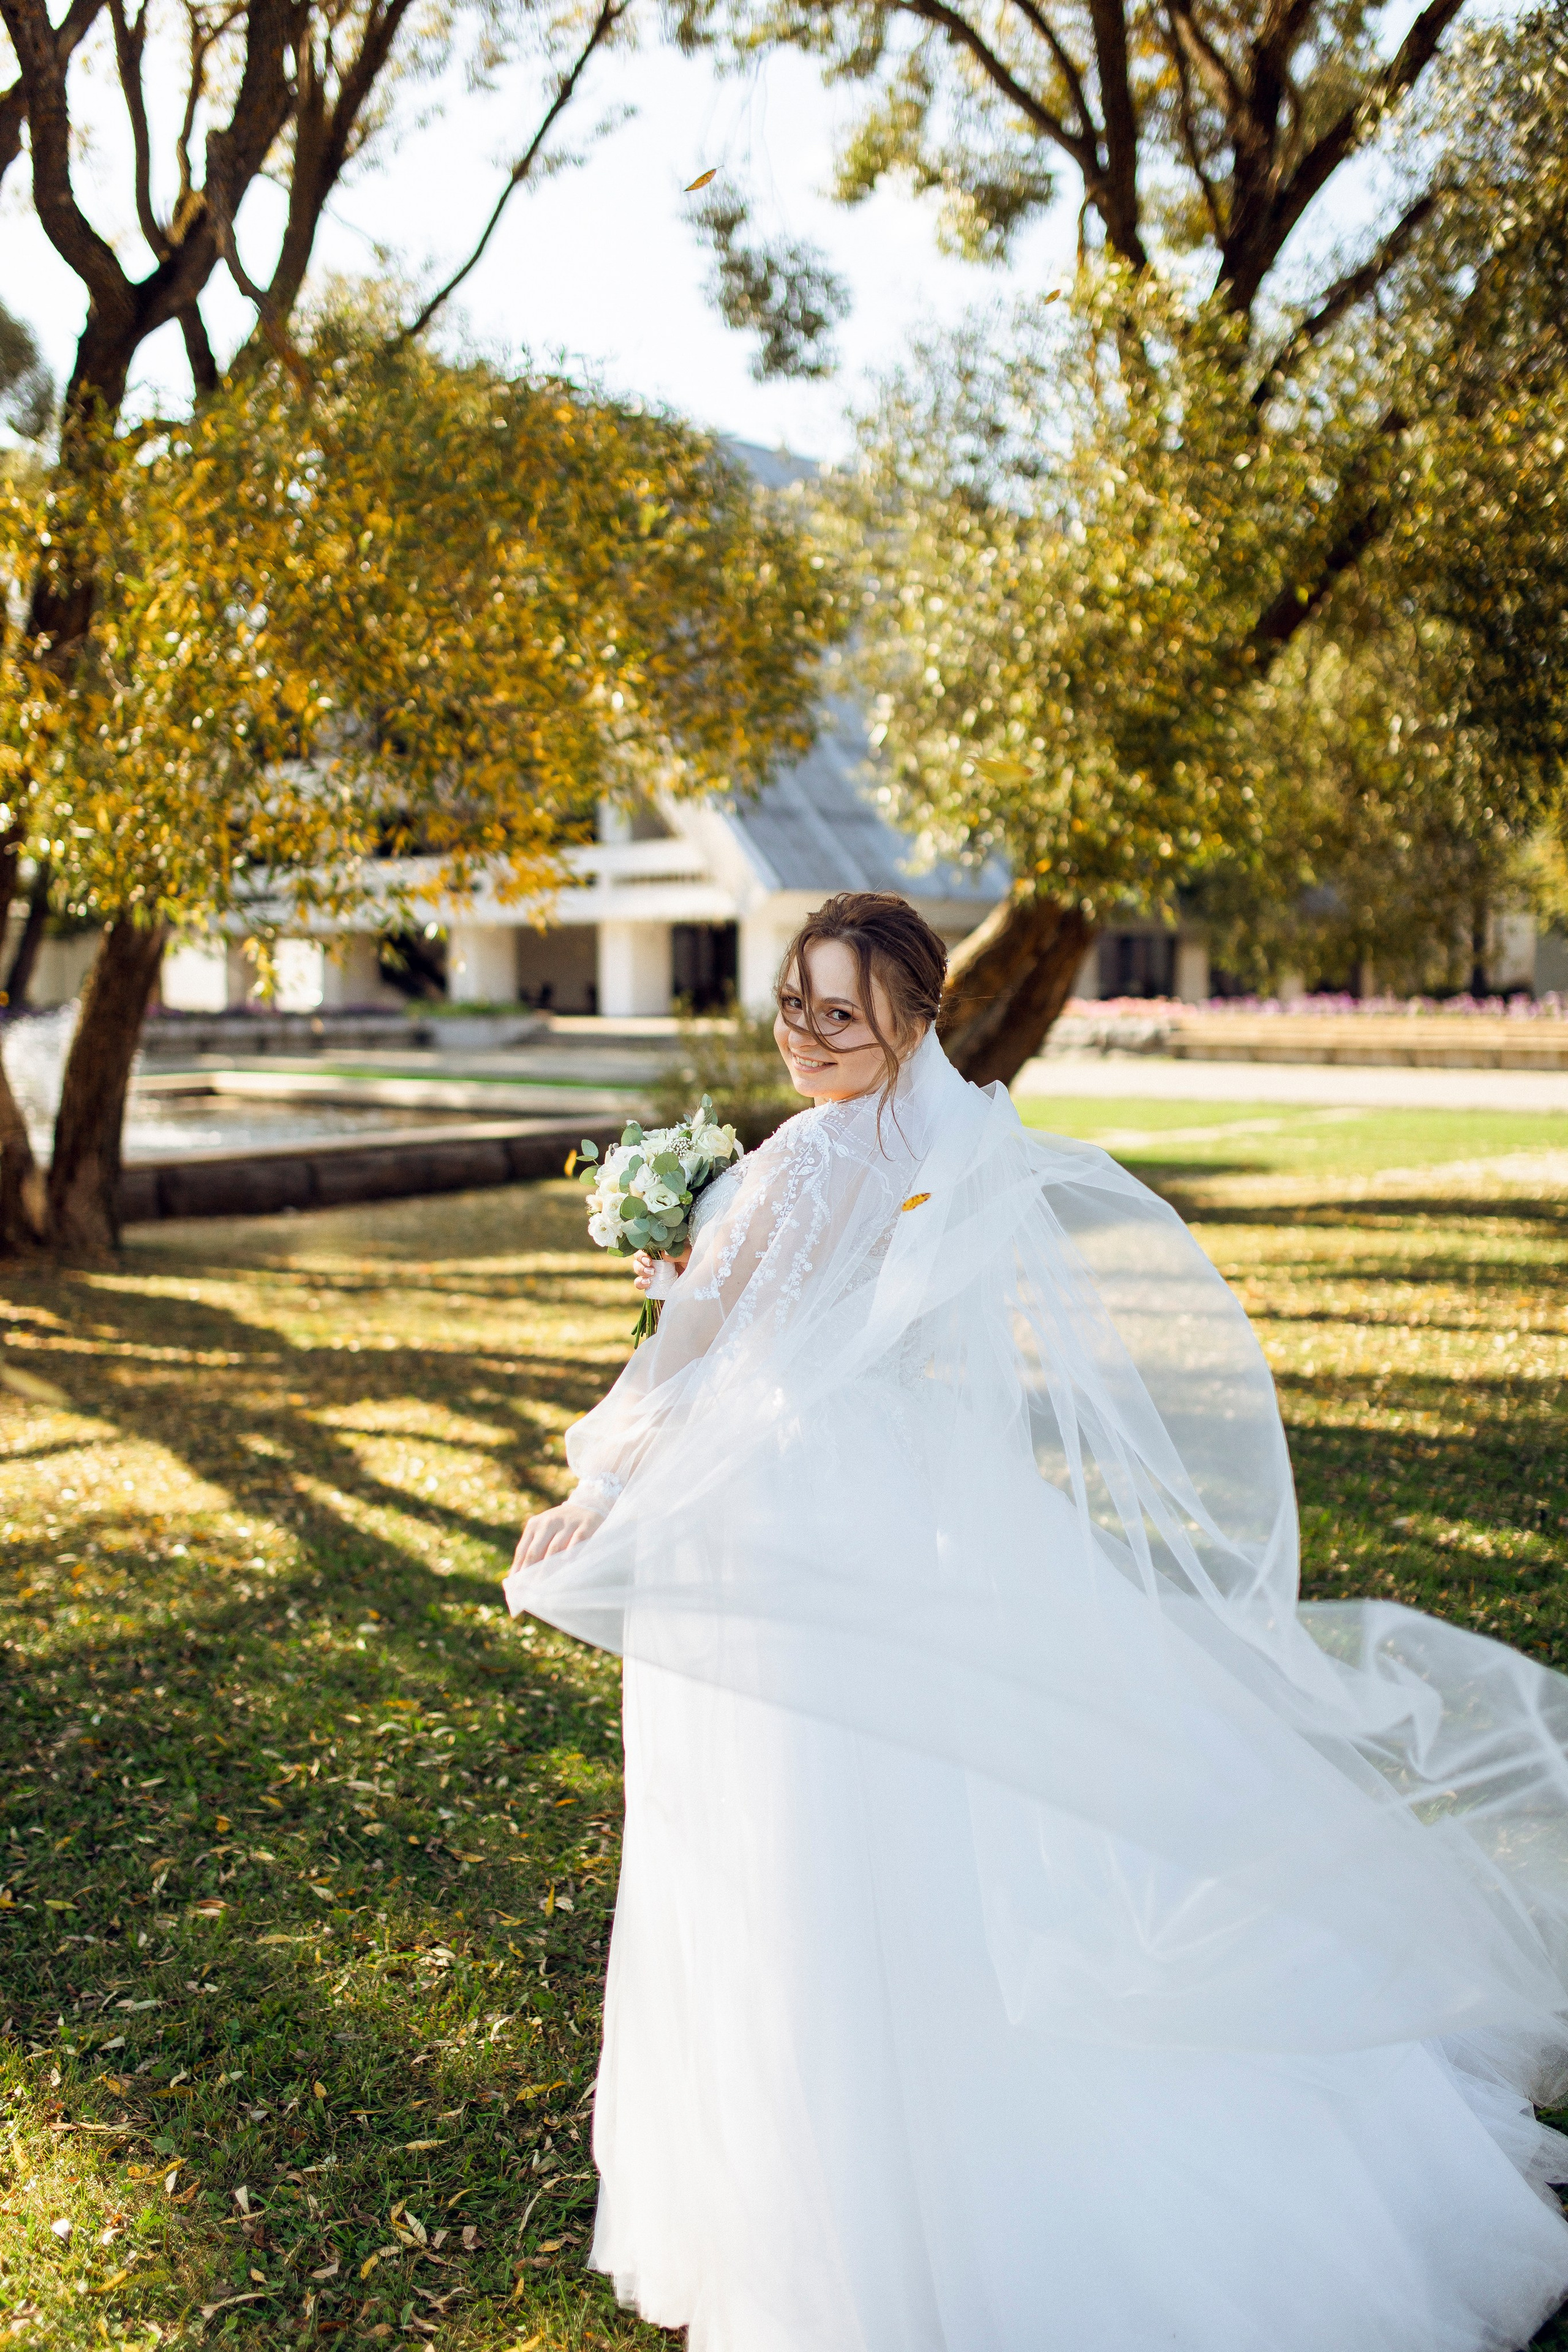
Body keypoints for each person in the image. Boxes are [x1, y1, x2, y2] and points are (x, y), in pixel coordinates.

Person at [507, 889, 1568, 2352]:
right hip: (911, 1510)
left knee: (804, 1848)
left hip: (793, 1527)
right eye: (793, 1005)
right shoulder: (954, 1146)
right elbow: (830, 1331)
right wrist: (708, 1266)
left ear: (908, 1018)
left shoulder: (798, 1162)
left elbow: (695, 1355)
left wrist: (598, 1484)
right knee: (924, 1836)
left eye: (838, 1012)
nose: (805, 1036)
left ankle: (855, 2211)